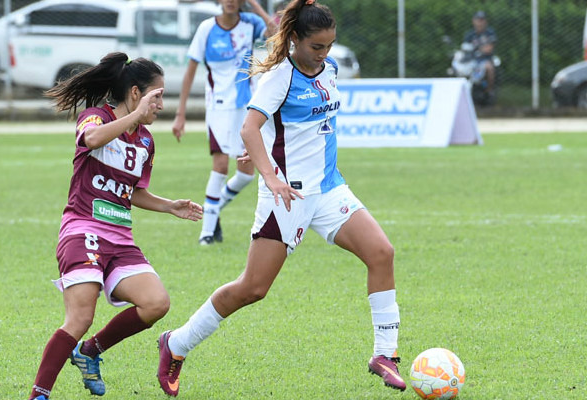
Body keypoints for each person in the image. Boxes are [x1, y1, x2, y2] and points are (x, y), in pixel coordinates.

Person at [156, 0, 406, 396]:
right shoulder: (279, 78)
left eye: (330, 45)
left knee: (382, 253)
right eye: (317, 47)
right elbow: (250, 128)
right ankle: (176, 343)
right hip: (286, 196)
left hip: (329, 189)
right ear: (294, 40)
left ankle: (384, 355)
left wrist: (268, 147)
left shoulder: (332, 71)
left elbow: (300, 129)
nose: (324, 54)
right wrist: (270, 175)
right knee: (252, 289)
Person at [27, 52, 203, 400]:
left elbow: (134, 192)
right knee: (79, 317)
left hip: (120, 238)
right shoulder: (96, 118)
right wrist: (134, 116)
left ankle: (90, 351)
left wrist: (170, 207)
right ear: (135, 93)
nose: (161, 105)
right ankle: (38, 395)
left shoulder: (145, 141)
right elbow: (91, 140)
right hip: (83, 230)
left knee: (156, 303)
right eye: (157, 96)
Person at [172, 0, 277, 245]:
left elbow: (275, 33)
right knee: (220, 165)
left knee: (246, 174)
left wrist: (256, 6)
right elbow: (189, 72)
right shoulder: (207, 28)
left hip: (246, 107)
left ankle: (213, 208)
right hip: (218, 107)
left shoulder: (250, 23)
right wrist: (180, 113)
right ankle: (206, 234)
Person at [463, 10, 497, 97]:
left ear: (485, 21)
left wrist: (477, 49)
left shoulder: (489, 33)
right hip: (471, 59)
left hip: (485, 59)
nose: (480, 22)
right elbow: (465, 47)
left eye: (482, 20)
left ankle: (489, 90)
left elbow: (489, 48)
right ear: (473, 21)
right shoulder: (470, 34)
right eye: (478, 19)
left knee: (489, 68)